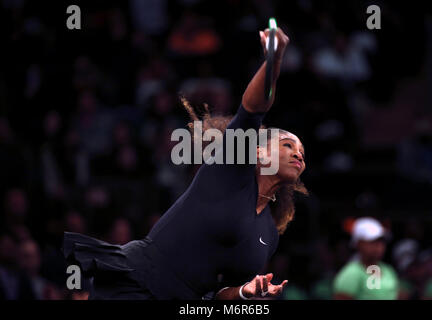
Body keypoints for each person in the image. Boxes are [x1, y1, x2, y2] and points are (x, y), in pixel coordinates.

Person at [63, 27, 307, 300]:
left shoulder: (269, 235)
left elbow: (218, 294)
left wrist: (246, 292)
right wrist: (274, 61)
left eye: (302, 152)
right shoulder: (230, 172)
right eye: (288, 145)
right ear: (259, 153)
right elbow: (252, 110)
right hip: (139, 283)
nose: (298, 154)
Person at [333, 217, 399, 300]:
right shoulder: (351, 273)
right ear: (358, 244)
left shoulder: (388, 270)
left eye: (381, 241)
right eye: (372, 241)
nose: (378, 246)